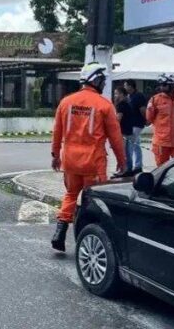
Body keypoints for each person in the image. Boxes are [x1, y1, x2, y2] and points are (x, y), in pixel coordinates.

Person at [50, 63, 126, 253]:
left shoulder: (66, 102)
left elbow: (57, 132)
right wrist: (122, 162)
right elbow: (116, 138)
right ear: (96, 79)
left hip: (70, 160)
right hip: (94, 162)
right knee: (95, 200)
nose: (104, 83)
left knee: (70, 195)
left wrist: (55, 155)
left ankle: (60, 231)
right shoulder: (104, 105)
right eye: (102, 80)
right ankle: (88, 237)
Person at [146, 74, 174, 166]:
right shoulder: (155, 100)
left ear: (172, 86)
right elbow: (149, 118)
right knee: (162, 167)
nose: (161, 87)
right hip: (161, 141)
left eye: (164, 85)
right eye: (161, 85)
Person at [123, 79, 146, 174]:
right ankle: (138, 166)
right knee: (136, 145)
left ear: (130, 86)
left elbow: (143, 110)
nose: (124, 88)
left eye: (125, 85)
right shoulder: (128, 96)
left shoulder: (138, 96)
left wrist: (146, 119)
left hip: (137, 124)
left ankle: (129, 167)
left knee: (130, 146)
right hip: (130, 124)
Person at [112, 86, 136, 177]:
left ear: (122, 94)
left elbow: (118, 120)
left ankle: (122, 170)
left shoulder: (121, 105)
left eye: (116, 93)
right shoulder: (127, 104)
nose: (115, 96)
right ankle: (128, 169)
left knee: (122, 153)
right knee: (128, 153)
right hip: (129, 131)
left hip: (123, 132)